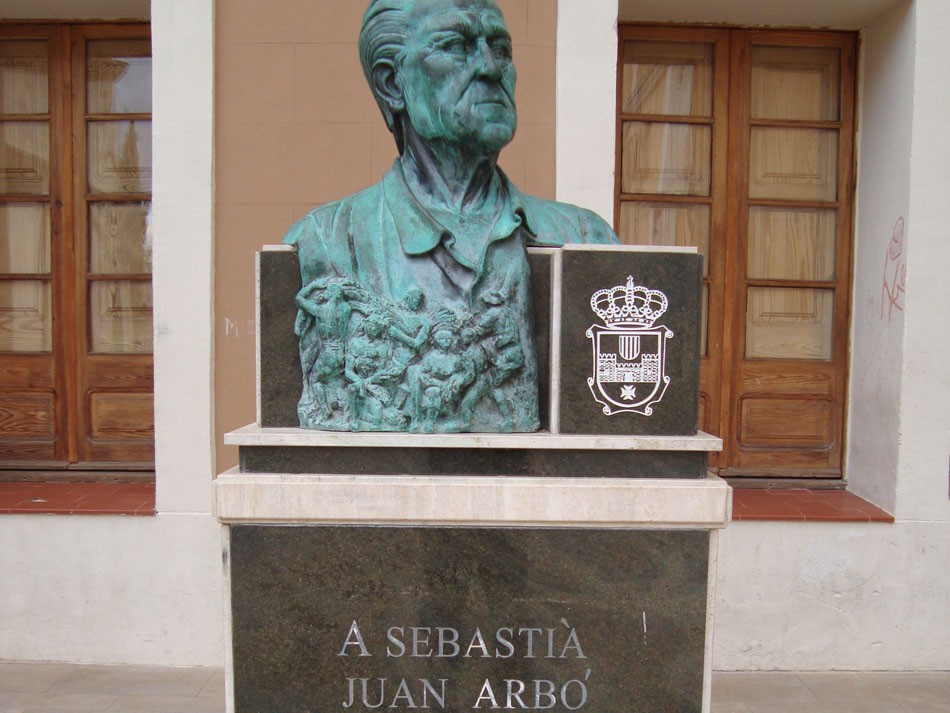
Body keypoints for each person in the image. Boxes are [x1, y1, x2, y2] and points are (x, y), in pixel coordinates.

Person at [285, 0, 619, 432]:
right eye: (455, 46)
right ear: (392, 84)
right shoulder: (325, 241)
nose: (489, 67)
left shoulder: (585, 237)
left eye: (500, 49)